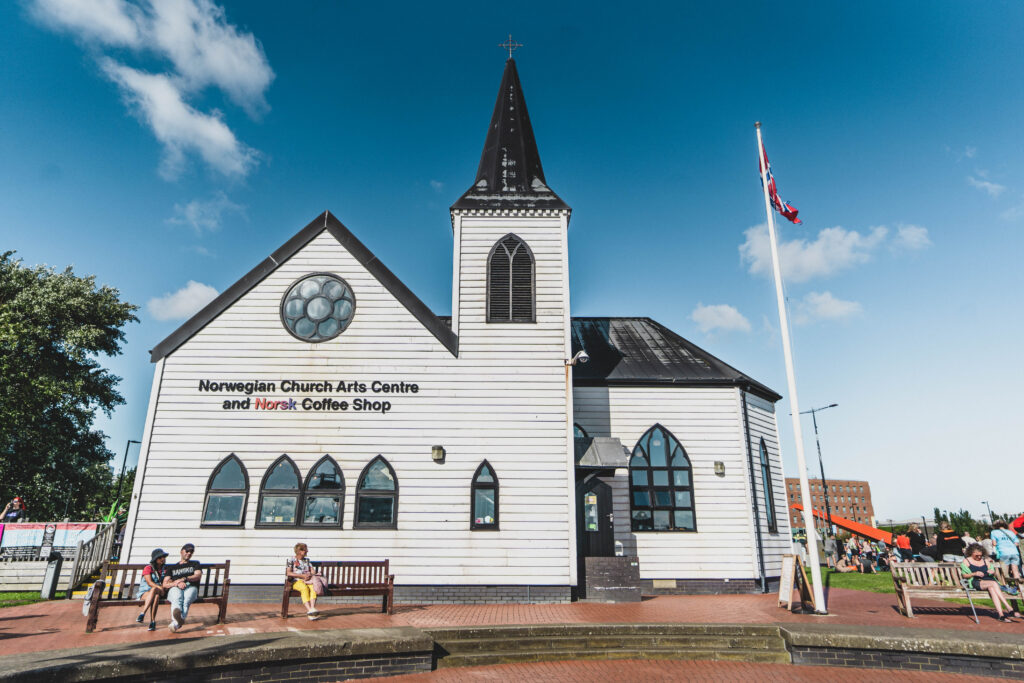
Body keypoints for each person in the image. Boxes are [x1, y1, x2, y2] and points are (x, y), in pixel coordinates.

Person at [960, 543, 1020, 623]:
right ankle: (1009, 607)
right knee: (993, 584)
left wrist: (992, 572)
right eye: (976, 555)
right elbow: (964, 575)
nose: (979, 557)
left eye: (980, 555)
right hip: (977, 581)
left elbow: (994, 573)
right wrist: (974, 574)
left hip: (990, 581)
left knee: (992, 588)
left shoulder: (985, 560)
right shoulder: (966, 561)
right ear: (971, 553)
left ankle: (1001, 615)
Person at [163, 543, 202, 632]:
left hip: (191, 587)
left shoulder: (195, 563)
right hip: (176, 587)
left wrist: (184, 579)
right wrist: (176, 583)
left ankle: (175, 623)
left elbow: (197, 575)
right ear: (181, 552)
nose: (189, 553)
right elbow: (164, 584)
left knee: (186, 600)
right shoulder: (172, 567)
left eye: (191, 552)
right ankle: (178, 622)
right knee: (177, 598)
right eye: (187, 551)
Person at [286, 543, 321, 620]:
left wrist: (309, 575)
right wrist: (302, 576)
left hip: (308, 580)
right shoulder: (291, 560)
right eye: (305, 550)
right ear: (299, 551)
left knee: (313, 587)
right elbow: (288, 573)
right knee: (304, 588)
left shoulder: (307, 561)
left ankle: (312, 608)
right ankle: (310, 611)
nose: (307, 551)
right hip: (296, 581)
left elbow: (313, 571)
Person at [137, 549, 168, 631]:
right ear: (155, 559)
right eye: (161, 557)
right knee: (156, 595)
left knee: (156, 593)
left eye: (164, 557)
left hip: (159, 591)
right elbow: (150, 583)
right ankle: (152, 621)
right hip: (145, 593)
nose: (163, 559)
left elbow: (168, 580)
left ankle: (142, 614)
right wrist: (160, 588)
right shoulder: (148, 568)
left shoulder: (165, 569)